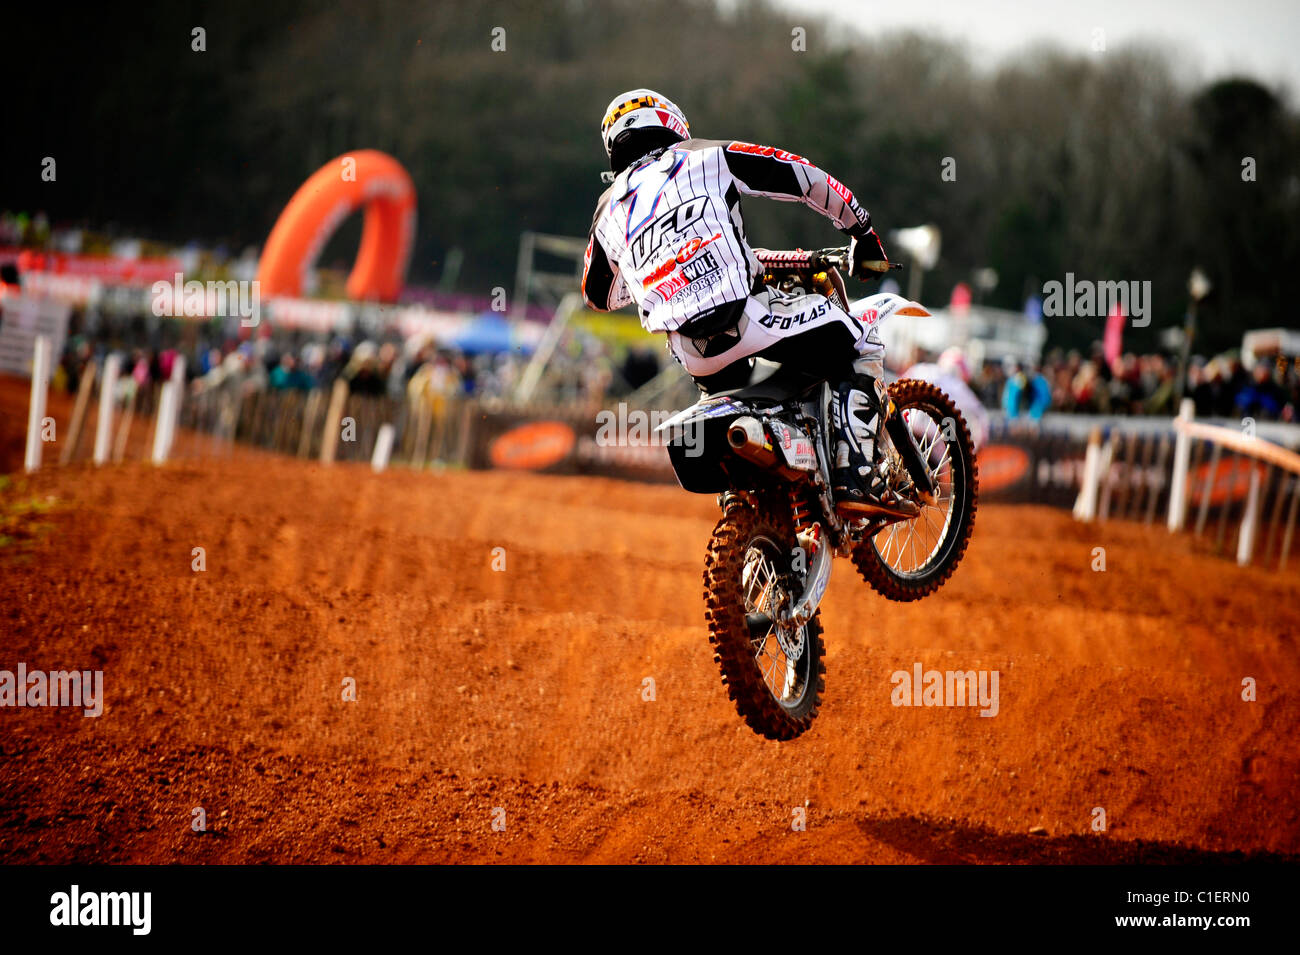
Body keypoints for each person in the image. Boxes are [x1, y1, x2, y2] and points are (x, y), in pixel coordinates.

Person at [580, 89, 896, 512]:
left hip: (695, 357)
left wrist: (648, 273)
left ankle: (748, 505)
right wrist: (863, 232)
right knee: (859, 341)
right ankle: (855, 475)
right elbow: (802, 176)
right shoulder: (705, 156)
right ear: (670, 122)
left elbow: (598, 296)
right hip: (749, 322)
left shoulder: (608, 211)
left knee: (766, 386)